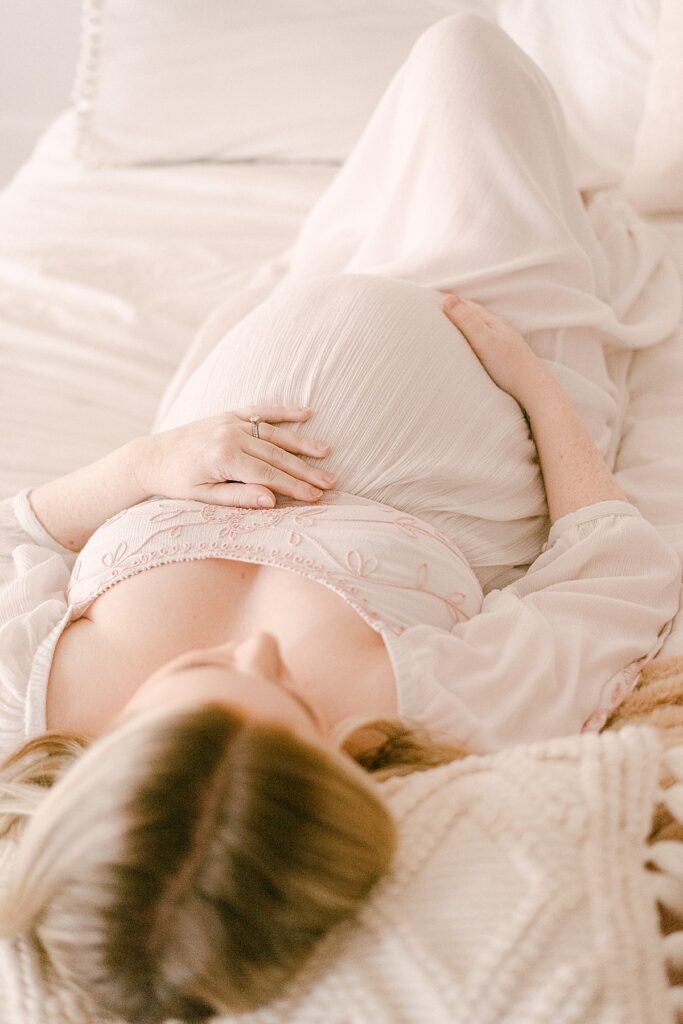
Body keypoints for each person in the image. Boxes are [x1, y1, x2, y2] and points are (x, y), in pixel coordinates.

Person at [0, 13, 680, 1024]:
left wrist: (147, 463)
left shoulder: (32, 690)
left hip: (285, 312)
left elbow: (25, 529)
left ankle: (541, 195)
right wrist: (535, 384)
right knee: (463, 56)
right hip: (490, 343)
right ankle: (580, 209)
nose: (261, 658)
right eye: (291, 705)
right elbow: (612, 574)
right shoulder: (430, 716)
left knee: (436, 116)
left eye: (199, 685)